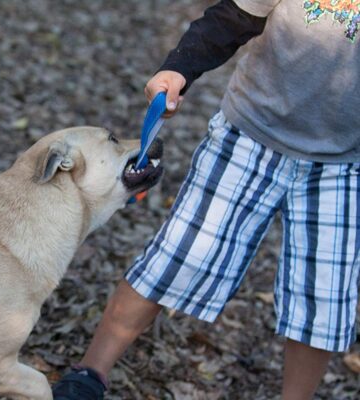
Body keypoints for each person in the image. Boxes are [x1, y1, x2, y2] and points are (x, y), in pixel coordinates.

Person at [52, 0, 360, 399]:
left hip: (344, 162)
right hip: (252, 134)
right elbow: (233, 18)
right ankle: (90, 373)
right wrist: (177, 68)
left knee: (322, 295)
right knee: (180, 254)